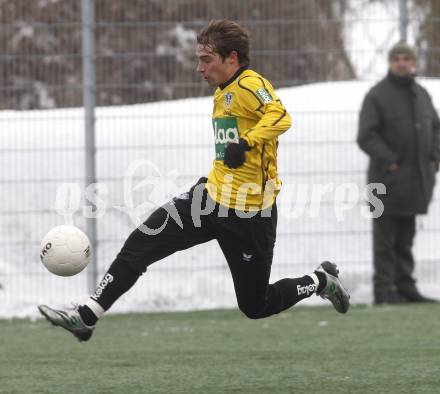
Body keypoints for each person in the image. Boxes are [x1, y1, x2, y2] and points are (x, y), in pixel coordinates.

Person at [38, 19, 350, 341]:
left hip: (249, 216)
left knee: (256, 305)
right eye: (198, 58)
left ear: (232, 58)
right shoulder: (223, 91)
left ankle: (320, 280)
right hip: (207, 200)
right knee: (141, 243)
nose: (199, 68)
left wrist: (246, 143)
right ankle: (87, 316)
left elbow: (280, 115)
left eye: (206, 59)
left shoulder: (249, 84)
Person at [357, 41, 440, 304]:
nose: (402, 63)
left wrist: (434, 157)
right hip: (384, 182)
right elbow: (366, 136)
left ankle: (405, 287)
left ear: (413, 62)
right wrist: (390, 160)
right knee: (385, 241)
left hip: (416, 182)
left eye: (406, 58)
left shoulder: (422, 94)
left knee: (406, 238)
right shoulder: (377, 95)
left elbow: (436, 129)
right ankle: (384, 290)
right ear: (390, 63)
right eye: (396, 59)